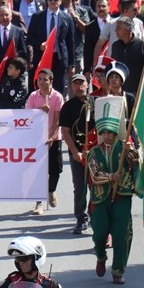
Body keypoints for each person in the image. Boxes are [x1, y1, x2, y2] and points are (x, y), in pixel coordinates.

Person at [86, 109, 140, 285]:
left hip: (122, 196)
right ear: (101, 133)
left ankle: (118, 270)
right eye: (105, 132)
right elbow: (94, 175)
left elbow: (137, 161)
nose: (108, 136)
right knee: (99, 233)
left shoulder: (125, 148)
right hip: (101, 199)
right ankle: (100, 255)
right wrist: (110, 177)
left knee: (121, 234)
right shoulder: (94, 152)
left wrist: (131, 151)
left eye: (111, 132)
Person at [58, 74, 95, 235]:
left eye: (82, 83)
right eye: (76, 84)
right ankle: (81, 218)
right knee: (80, 187)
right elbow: (65, 132)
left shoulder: (96, 103)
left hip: (96, 153)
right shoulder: (67, 107)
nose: (79, 86)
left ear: (88, 85)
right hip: (78, 154)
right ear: (71, 86)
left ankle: (96, 216)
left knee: (97, 186)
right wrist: (75, 153)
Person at [26, 68, 65, 216]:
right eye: (40, 79)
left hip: (54, 137)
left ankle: (50, 191)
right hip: (37, 138)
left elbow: (57, 120)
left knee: (55, 169)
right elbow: (28, 116)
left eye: (45, 79)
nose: (42, 82)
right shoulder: (33, 96)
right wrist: (39, 112)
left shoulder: (57, 97)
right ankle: (38, 202)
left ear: (51, 81)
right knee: (38, 171)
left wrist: (52, 137)